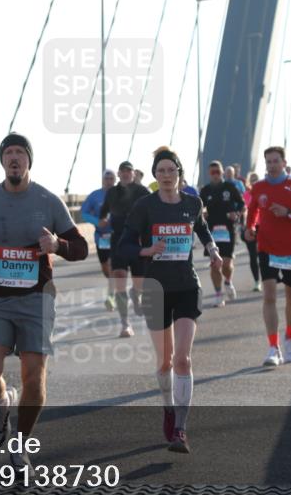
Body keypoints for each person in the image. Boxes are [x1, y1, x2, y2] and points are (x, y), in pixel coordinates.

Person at [0, 133, 89, 473]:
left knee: (34, 377)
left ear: (29, 161)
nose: (14, 158)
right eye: (9, 153)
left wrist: (57, 245)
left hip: (36, 299)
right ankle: (3, 400)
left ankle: (20, 445)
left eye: (20, 153)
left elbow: (80, 248)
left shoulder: (48, 201)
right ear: (2, 161)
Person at [118, 147, 222, 453]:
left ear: (179, 173)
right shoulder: (144, 206)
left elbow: (202, 230)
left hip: (187, 285)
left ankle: (180, 428)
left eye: (171, 170)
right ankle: (167, 405)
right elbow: (124, 245)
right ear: (154, 175)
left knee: (182, 359)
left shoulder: (193, 202)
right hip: (156, 289)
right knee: (164, 361)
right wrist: (146, 251)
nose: (166, 176)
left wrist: (212, 249)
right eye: (160, 171)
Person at [244, 147, 291, 366]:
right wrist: (249, 229)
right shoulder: (258, 187)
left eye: (276, 161)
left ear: (284, 162)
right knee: (269, 297)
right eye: (268, 162)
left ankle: (289, 337)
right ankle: (273, 347)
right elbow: (252, 210)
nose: (272, 165)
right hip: (266, 247)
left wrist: (289, 213)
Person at [99, 161, 151, 337]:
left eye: (130, 171)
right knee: (120, 277)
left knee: (139, 283)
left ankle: (136, 295)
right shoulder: (112, 192)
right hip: (119, 242)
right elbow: (103, 211)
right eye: (124, 171)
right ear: (119, 174)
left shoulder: (142, 192)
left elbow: (153, 211)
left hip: (138, 242)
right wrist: (103, 220)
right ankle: (125, 324)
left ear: (133, 174)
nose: (127, 174)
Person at [199, 160, 244, 306]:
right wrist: (202, 214)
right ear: (209, 174)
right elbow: (198, 209)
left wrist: (236, 214)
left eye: (218, 172)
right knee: (214, 265)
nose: (215, 175)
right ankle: (218, 294)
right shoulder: (205, 190)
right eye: (212, 172)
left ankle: (228, 281)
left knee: (226, 263)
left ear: (222, 172)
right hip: (211, 231)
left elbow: (242, 204)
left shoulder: (230, 187)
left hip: (228, 229)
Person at [81, 169, 117, 310]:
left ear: (115, 180)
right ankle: (113, 285)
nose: (109, 180)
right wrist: (97, 222)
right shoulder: (95, 196)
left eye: (111, 178)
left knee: (112, 265)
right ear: (102, 180)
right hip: (101, 237)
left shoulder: (120, 194)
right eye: (106, 178)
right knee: (105, 268)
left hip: (117, 235)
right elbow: (83, 212)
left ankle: (111, 295)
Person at [240, 172, 262, 292]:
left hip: (263, 227)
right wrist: (244, 226)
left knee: (264, 254)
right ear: (249, 182)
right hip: (250, 227)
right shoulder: (246, 195)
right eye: (252, 179)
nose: (254, 181)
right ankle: (257, 282)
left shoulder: (264, 193)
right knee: (253, 255)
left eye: (256, 179)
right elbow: (243, 210)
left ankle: (269, 277)